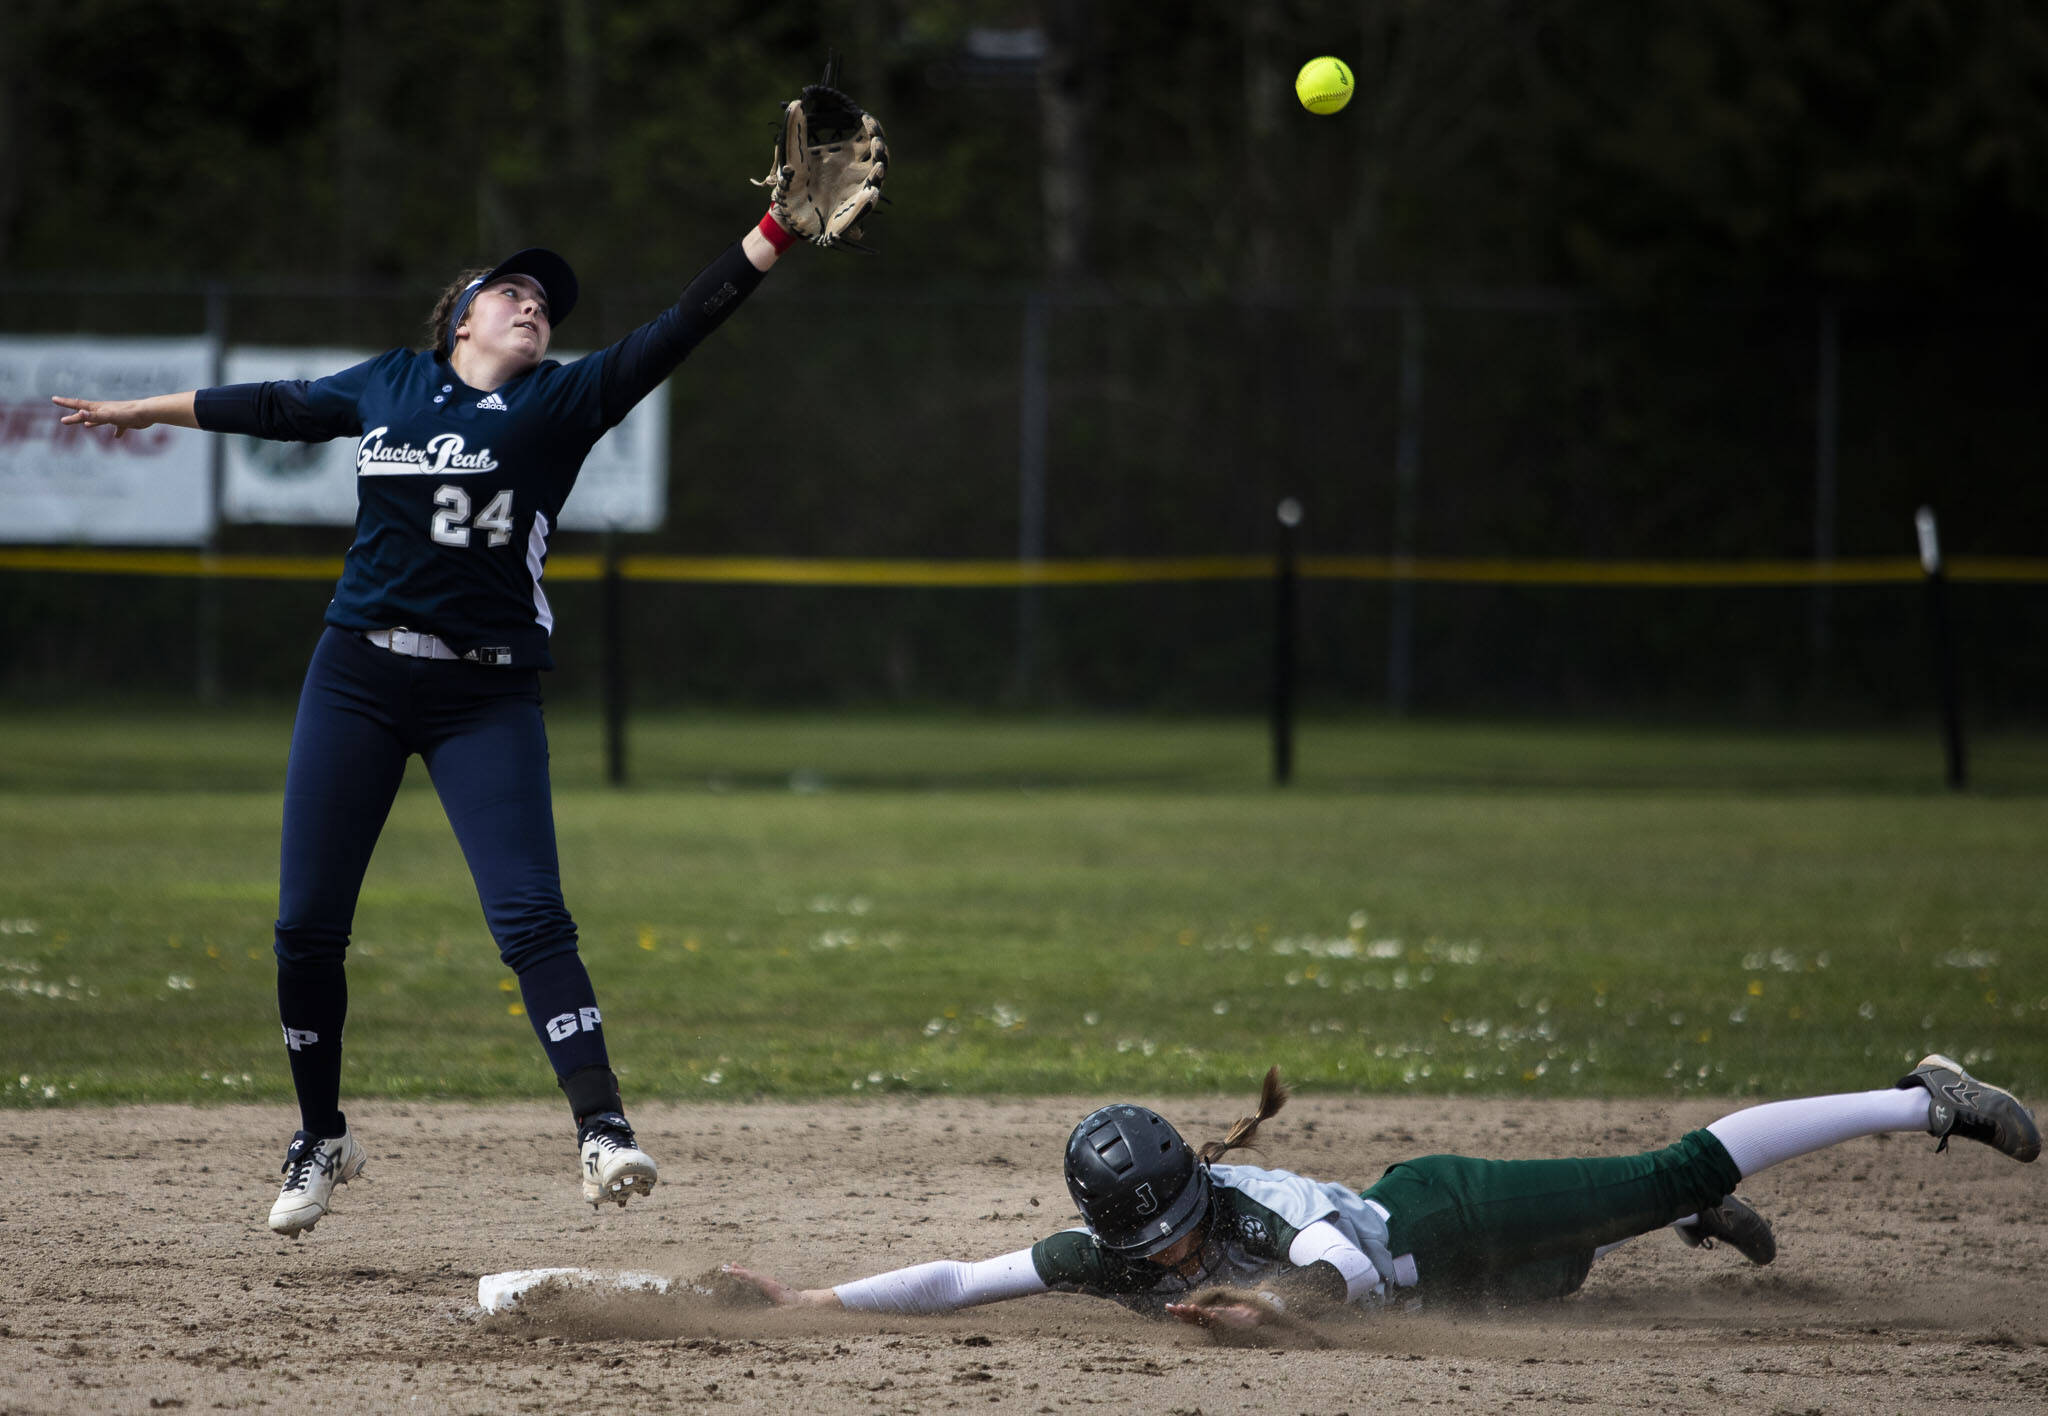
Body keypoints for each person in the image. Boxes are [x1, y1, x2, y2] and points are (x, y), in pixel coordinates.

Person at [50, 83, 886, 1238]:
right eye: (513, 291)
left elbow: (680, 324)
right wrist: (135, 408)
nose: (534, 304)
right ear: (462, 318)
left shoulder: (560, 402)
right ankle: (319, 1136)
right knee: (304, 927)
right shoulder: (391, 383)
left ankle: (602, 1132)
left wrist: (778, 232)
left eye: (545, 300)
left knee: (531, 917)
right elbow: (279, 406)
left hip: (485, 689)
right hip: (356, 674)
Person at [724, 1054, 2038, 1331]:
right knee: (1567, 1280)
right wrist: (803, 1301)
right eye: (1161, 1249)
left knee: (1665, 1171)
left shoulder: (1244, 1221)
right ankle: (1677, 1227)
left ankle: (1924, 1098)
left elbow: (1340, 1272)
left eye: (1190, 1233)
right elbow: (963, 1280)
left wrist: (1265, 1311)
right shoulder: (1113, 1254)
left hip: (1434, 1217)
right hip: (1465, 1287)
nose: (1183, 1259)